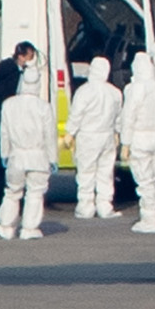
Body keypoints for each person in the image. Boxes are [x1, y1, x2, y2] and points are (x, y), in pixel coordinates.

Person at [0, 66, 57, 240]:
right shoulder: (44, 107)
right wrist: (52, 158)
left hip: (17, 156)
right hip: (38, 156)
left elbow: (4, 133)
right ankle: (29, 228)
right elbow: (49, 136)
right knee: (35, 193)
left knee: (12, 192)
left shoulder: (8, 105)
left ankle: (6, 226)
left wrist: (4, 153)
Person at [118, 52, 155, 233]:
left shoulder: (136, 89)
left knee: (144, 180)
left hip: (140, 138)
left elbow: (129, 117)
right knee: (154, 178)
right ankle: (153, 214)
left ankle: (148, 218)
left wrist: (125, 143)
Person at [64, 56, 123, 220]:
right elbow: (119, 116)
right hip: (108, 136)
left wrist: (70, 133)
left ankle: (86, 206)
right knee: (106, 172)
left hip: (88, 136)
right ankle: (105, 205)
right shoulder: (115, 92)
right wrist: (117, 132)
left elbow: (76, 115)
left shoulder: (84, 91)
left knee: (86, 172)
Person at [0, 41, 37, 211]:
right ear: (22, 55)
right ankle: (13, 204)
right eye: (30, 56)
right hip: (13, 127)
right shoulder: (15, 78)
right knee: (15, 168)